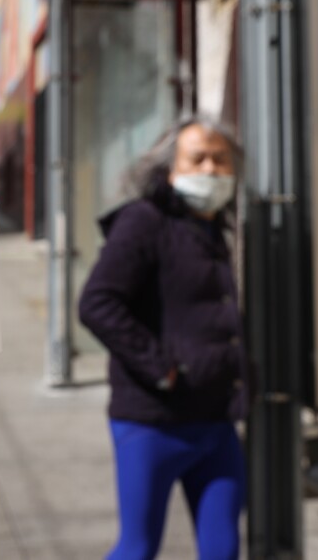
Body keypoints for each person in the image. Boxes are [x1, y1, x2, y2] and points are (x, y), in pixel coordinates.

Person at [78, 117, 250, 560]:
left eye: (221, 159)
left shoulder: (218, 230)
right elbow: (97, 303)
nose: (210, 169)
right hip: (150, 422)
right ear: (170, 168)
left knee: (223, 549)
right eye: (198, 158)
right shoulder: (142, 221)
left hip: (216, 421)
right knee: (137, 549)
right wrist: (163, 369)